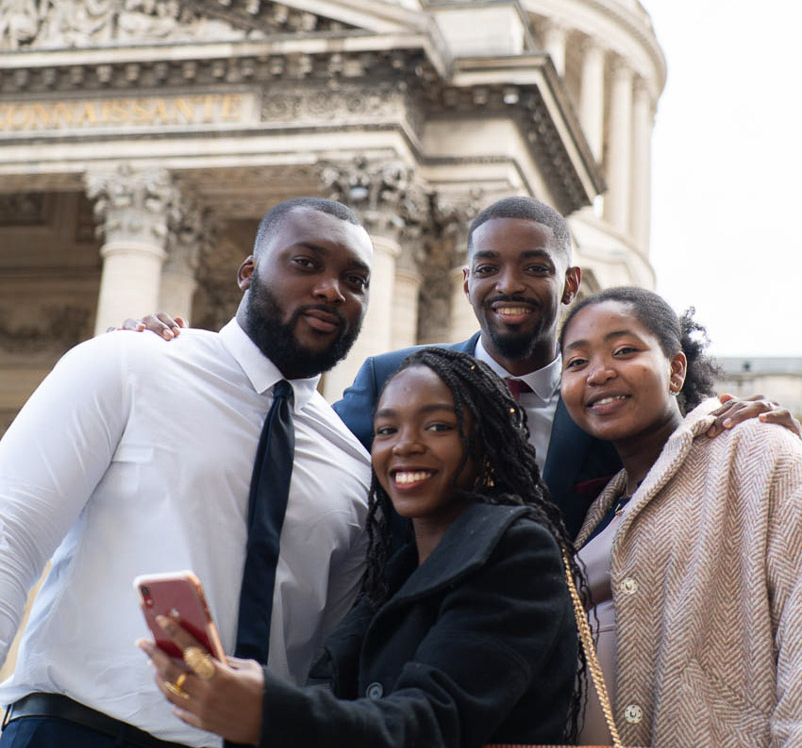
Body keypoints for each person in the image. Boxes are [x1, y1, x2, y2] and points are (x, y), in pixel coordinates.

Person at [140, 348, 628, 748]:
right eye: (387, 430)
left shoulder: (516, 552)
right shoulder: (398, 571)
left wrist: (266, 714)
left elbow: (430, 728)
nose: (405, 446)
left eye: (437, 427)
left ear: (483, 445)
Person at [0, 197, 375, 748]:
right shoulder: (129, 366)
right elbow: (10, 534)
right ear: (248, 271)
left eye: (354, 280)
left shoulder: (355, 472)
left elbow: (328, 666)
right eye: (306, 263)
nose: (330, 289)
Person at [132, 197, 796, 539]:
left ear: (570, 284)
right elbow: (296, 451)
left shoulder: (607, 401)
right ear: (466, 281)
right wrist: (194, 357)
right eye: (487, 269)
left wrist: (735, 421)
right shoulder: (394, 378)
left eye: (535, 268)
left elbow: (679, 467)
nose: (509, 285)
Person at [559, 286, 802, 748]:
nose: (598, 373)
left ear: (674, 369)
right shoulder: (602, 510)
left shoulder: (761, 454)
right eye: (577, 361)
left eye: (623, 351)